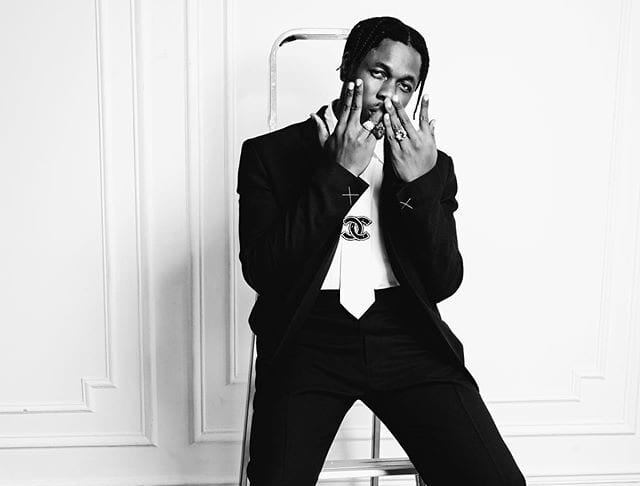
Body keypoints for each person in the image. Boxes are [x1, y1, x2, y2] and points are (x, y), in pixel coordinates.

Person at [236, 15, 526, 486]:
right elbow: (264, 272)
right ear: (349, 65)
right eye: (379, 73)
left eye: (406, 85)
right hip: (306, 337)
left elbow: (442, 281)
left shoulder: (429, 164)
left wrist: (418, 187)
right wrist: (340, 176)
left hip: (406, 334)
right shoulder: (270, 155)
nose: (389, 95)